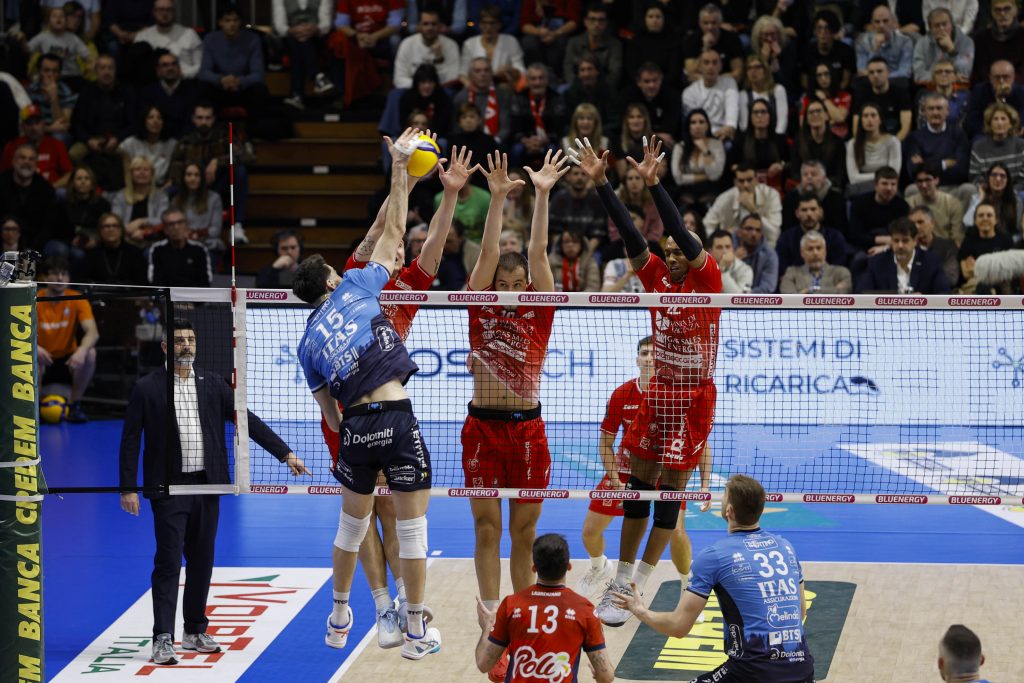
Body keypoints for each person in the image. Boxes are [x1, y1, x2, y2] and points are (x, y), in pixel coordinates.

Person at [291, 127, 441, 661]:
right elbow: (394, 229)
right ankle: (415, 625)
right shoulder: (357, 286)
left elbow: (331, 420)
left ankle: (338, 614)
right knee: (413, 527)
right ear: (332, 282)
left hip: (353, 428)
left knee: (351, 526)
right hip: (395, 415)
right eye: (336, 270)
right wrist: (400, 167)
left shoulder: (306, 343)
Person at [323, 144, 475, 649]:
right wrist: (405, 173)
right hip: (349, 408)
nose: (401, 251)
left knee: (390, 512)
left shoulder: (409, 285)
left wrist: (448, 193)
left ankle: (399, 606)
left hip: (385, 408)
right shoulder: (355, 276)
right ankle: (382, 605)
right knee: (363, 514)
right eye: (397, 245)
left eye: (406, 249)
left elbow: (435, 241)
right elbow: (382, 227)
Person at [571, 136, 717, 629]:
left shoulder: (707, 279)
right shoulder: (656, 279)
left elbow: (678, 231)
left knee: (669, 499)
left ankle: (640, 580)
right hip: (660, 395)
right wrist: (603, 184)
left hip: (694, 398)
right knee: (637, 490)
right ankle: (621, 580)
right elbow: (635, 240)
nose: (672, 256)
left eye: (679, 251)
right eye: (667, 251)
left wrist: (654, 185)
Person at [119, 318, 308, 666]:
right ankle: (162, 637)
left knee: (202, 562)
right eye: (179, 341)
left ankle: (194, 630)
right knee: (168, 562)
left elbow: (246, 419)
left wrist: (285, 453)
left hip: (208, 486)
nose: (186, 346)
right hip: (169, 488)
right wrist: (128, 487)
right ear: (165, 347)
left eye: (191, 340)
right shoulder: (147, 387)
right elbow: (131, 439)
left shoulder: (212, 383)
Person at [463, 149, 567, 682]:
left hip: (528, 431)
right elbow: (487, 251)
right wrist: (498, 199)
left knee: (524, 534)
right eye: (499, 284)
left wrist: (542, 194)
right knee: (487, 529)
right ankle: (489, 621)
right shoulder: (478, 303)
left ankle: (523, 623)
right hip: (482, 428)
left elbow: (540, 250)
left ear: (526, 285)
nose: (506, 291)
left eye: (514, 284)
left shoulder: (539, 306)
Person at [612, 474, 815, 683]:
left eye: (724, 496)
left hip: (751, 672)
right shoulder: (785, 547)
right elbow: (800, 612)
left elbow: (678, 626)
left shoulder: (715, 556)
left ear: (729, 511)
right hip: (802, 669)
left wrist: (640, 611)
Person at [575, 336, 698, 600]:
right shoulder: (622, 394)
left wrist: (704, 481)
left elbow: (699, 442)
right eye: (644, 353)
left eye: (655, 353)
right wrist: (616, 481)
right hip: (625, 470)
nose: (650, 358)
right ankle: (598, 566)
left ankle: (688, 585)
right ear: (637, 359)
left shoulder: (678, 394)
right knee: (589, 531)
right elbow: (605, 444)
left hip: (666, 472)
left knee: (676, 531)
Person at [474, 534, 614, 683]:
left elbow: (483, 665)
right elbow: (606, 676)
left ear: (534, 568)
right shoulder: (585, 610)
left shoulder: (510, 605)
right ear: (569, 566)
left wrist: (487, 627)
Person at [37, 256, 98, 423]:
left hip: (68, 361)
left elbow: (93, 332)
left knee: (90, 353)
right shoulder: (34, 299)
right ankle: (35, 408)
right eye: (55, 273)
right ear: (45, 278)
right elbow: (20, 333)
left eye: (64, 274)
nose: (60, 278)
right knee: (29, 354)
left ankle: (74, 406)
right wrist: (34, 347)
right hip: (43, 359)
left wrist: (82, 350)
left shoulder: (77, 298)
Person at [198, 7, 269, 114]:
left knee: (260, 90)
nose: (232, 24)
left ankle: (256, 125)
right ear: (220, 22)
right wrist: (221, 80)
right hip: (220, 87)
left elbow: (258, 74)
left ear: (240, 22)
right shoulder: (210, 39)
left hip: (243, 88)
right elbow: (204, 72)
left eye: (235, 20)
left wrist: (239, 81)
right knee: (203, 88)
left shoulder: (253, 39)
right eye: (227, 20)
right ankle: (208, 124)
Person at [857, 217, 951, 294]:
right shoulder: (877, 262)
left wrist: (923, 301)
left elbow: (944, 293)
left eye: (905, 241)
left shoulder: (931, 262)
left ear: (915, 241)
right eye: (896, 241)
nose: (900, 246)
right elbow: (861, 293)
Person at [702, 162, 783, 247]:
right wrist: (723, 236)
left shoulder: (771, 195)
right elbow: (706, 226)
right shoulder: (724, 198)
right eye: (741, 181)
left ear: (756, 180)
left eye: (749, 180)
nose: (745, 185)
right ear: (735, 182)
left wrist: (753, 210)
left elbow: (774, 233)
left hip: (763, 246)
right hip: (731, 247)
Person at [273, 0, 334, 110]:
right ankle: (318, 76)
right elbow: (280, 25)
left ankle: (297, 95)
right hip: (289, 37)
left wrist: (314, 29)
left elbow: (326, 24)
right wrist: (293, 31)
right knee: (296, 41)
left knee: (303, 42)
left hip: (316, 37)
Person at [109, 155, 169, 246]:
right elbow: (116, 220)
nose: (142, 173)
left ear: (152, 174)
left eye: (146, 170)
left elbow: (163, 220)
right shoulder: (120, 196)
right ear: (131, 174)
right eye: (137, 169)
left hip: (153, 241)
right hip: (125, 240)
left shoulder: (161, 197)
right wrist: (130, 233)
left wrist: (141, 222)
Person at [392, 8, 461, 89]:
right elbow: (398, 79)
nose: (430, 28)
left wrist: (439, 60)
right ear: (419, 26)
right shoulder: (407, 44)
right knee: (395, 94)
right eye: (425, 24)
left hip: (440, 90)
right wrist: (422, 86)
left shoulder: (451, 45)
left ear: (440, 26)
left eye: (434, 24)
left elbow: (452, 79)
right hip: (411, 89)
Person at [135, 0, 203, 80]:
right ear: (154, 12)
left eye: (169, 10)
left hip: (186, 81)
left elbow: (200, 65)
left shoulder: (190, 34)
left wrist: (181, 74)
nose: (165, 13)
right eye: (161, 9)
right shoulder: (142, 37)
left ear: (174, 12)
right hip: (152, 83)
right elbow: (137, 68)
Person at [460, 4, 524, 87]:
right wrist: (472, 88)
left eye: (492, 23)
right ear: (480, 25)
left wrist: (509, 70)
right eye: (485, 23)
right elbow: (462, 74)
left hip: (503, 86)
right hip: (477, 87)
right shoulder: (469, 44)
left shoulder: (511, 41)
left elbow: (521, 70)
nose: (488, 27)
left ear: (499, 25)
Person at [681, 49, 738, 142]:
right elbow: (694, 123)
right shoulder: (689, 92)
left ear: (720, 66)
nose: (711, 67)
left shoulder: (729, 83)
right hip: (699, 136)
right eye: (706, 63)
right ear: (700, 67)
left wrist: (728, 128)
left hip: (724, 136)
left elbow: (731, 119)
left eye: (715, 63)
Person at [147, 208, 212, 287]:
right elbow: (154, 282)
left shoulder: (199, 249)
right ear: (165, 229)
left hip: (193, 294)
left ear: (186, 225)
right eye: (171, 224)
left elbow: (205, 282)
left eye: (180, 222)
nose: (176, 227)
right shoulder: (157, 249)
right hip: (166, 294)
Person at [847, 103, 902, 196]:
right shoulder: (853, 144)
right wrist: (880, 177)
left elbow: (894, 174)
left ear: (880, 119)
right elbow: (853, 178)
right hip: (861, 187)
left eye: (873, 115)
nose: (869, 120)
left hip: (886, 186)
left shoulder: (893, 142)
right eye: (865, 116)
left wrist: (880, 180)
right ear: (861, 121)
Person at [562, 4, 622, 88]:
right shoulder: (574, 42)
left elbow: (615, 73)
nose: (596, 24)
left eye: (601, 20)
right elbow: (568, 70)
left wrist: (598, 89)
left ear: (606, 23)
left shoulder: (614, 44)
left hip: (604, 89)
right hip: (577, 88)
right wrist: (578, 87)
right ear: (585, 22)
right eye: (592, 19)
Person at [912, 8, 974, 85]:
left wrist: (952, 51)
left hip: (957, 87)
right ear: (931, 29)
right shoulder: (922, 43)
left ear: (952, 25)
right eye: (937, 26)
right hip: (930, 87)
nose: (941, 28)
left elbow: (964, 74)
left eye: (944, 24)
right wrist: (946, 78)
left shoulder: (966, 42)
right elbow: (918, 75)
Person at [119, 105, 177, 188]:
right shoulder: (130, 143)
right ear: (144, 121)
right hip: (134, 187)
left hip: (161, 188)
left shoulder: (172, 144)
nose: (155, 121)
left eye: (159, 118)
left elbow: (173, 177)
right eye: (150, 117)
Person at [84, 212, 147, 285]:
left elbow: (142, 282)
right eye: (106, 226)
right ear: (100, 230)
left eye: (115, 225)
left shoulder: (134, 253)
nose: (111, 229)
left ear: (121, 229)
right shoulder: (92, 255)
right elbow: (85, 282)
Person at [780, 231, 852, 294]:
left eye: (819, 248)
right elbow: (789, 298)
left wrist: (806, 291)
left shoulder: (841, 272)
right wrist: (833, 290)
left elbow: (844, 294)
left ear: (825, 251)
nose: (815, 253)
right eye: (810, 249)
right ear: (802, 253)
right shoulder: (792, 272)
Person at [855, 4, 913, 82]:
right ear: (872, 24)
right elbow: (862, 70)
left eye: (885, 21)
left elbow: (905, 71)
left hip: (895, 81)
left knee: (903, 82)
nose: (881, 25)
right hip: (871, 82)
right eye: (877, 22)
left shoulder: (904, 41)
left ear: (893, 22)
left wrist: (883, 77)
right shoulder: (862, 42)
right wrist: (875, 49)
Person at [910, 205, 960, 287]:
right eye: (913, 224)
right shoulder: (908, 249)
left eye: (920, 222)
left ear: (932, 223)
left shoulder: (947, 246)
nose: (916, 227)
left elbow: (951, 278)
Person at [734, 213, 779, 294]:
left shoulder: (770, 255)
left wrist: (745, 297)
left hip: (756, 300)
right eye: (749, 229)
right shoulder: (727, 246)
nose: (754, 234)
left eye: (758, 230)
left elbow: (767, 288)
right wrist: (733, 260)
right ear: (739, 232)